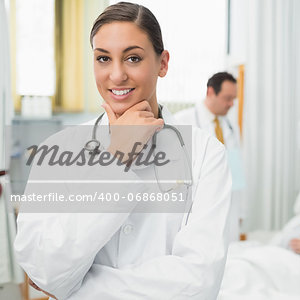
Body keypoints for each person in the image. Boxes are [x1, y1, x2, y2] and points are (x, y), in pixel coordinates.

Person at [14, 2, 231, 299]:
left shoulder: (206, 154)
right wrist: (116, 159)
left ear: (163, 63)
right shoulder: (57, 149)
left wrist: (76, 288)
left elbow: (198, 284)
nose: (116, 75)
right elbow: (44, 269)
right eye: (103, 58)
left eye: (133, 58)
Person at [175, 72, 245, 241]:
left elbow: (236, 167)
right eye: (227, 98)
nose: (231, 104)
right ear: (210, 92)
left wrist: (242, 211)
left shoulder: (229, 125)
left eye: (233, 99)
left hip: (228, 198)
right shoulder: (183, 121)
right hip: (197, 201)